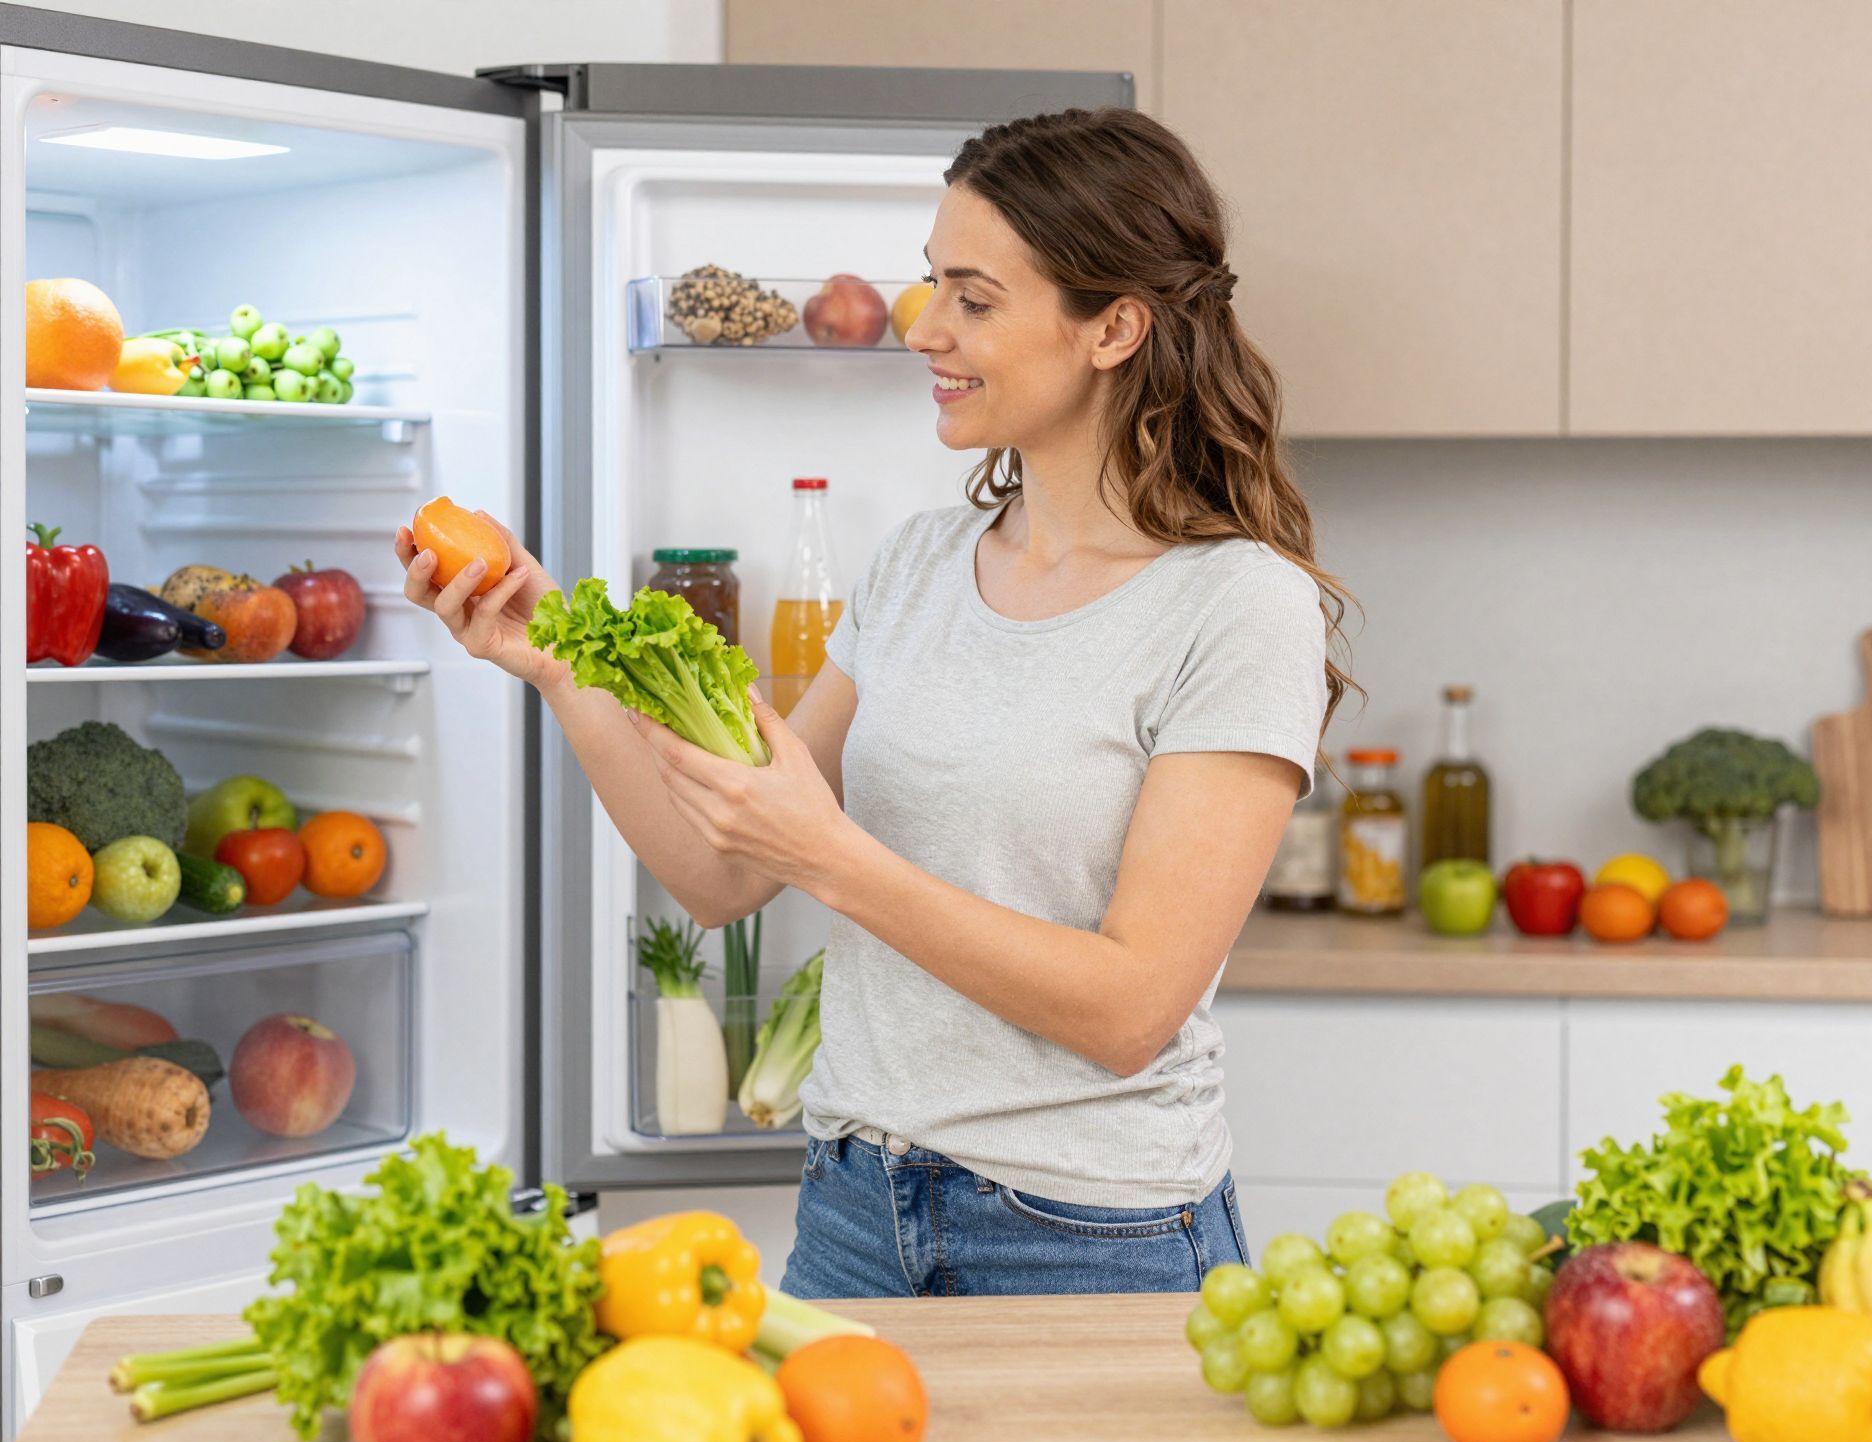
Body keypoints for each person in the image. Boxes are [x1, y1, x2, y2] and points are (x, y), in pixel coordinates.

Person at [396, 107, 1353, 1298]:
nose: (925, 330)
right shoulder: (915, 564)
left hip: (1086, 1234)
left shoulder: (1235, 605)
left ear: (1113, 327)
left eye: (973, 297)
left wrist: (832, 855)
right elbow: (723, 872)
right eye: (927, 286)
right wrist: (559, 667)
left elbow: (1130, 1009)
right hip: (853, 1206)